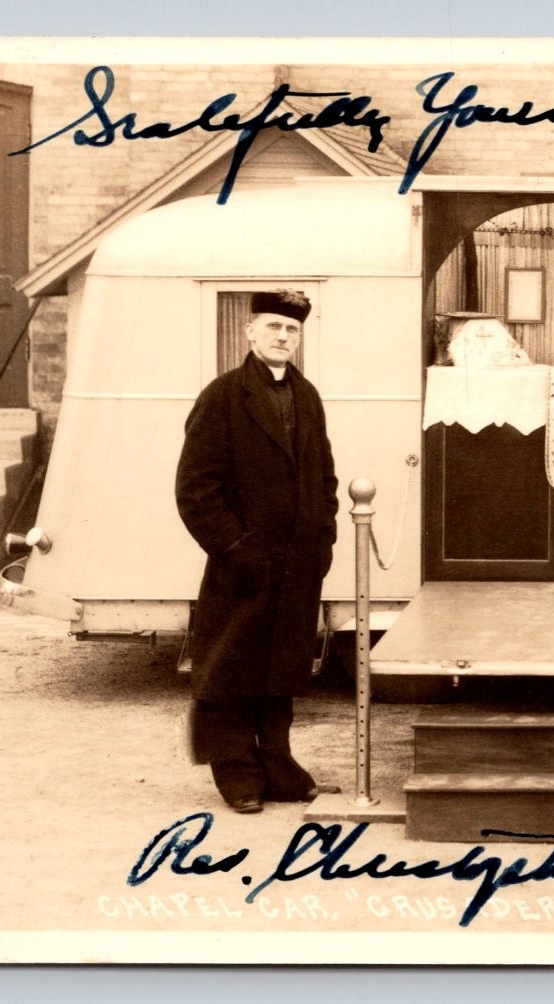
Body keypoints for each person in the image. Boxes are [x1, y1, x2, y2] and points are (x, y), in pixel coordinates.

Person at [175, 289, 340, 813]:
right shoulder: (222, 396)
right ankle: (237, 771)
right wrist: (237, 549)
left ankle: (277, 763)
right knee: (231, 668)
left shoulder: (307, 395)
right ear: (249, 332)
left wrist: (324, 535)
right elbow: (196, 491)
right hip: (242, 565)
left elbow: (325, 476)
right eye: (272, 327)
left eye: (291, 330)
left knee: (283, 666)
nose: (282, 337)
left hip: (297, 564)